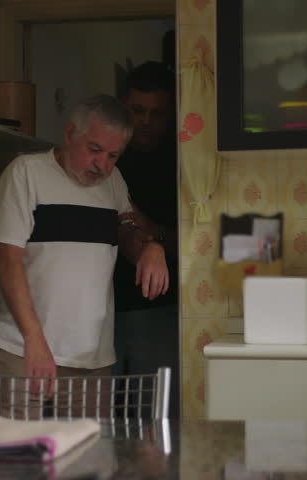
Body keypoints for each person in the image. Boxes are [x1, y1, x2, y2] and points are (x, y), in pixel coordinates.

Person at [0, 94, 169, 417]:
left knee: (87, 462)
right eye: (94, 150)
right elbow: (7, 259)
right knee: (16, 460)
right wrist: (34, 339)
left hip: (91, 357)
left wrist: (151, 248)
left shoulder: (113, 182)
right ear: (70, 134)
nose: (102, 165)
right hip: (22, 349)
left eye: (113, 155)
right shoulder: (26, 173)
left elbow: (126, 231)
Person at [112, 61, 180, 417]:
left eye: (158, 113)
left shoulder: (182, 162)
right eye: (138, 111)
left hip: (160, 307)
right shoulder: (107, 156)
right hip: (101, 305)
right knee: (98, 418)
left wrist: (152, 233)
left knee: (154, 418)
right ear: (124, 106)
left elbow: (194, 242)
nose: (146, 121)